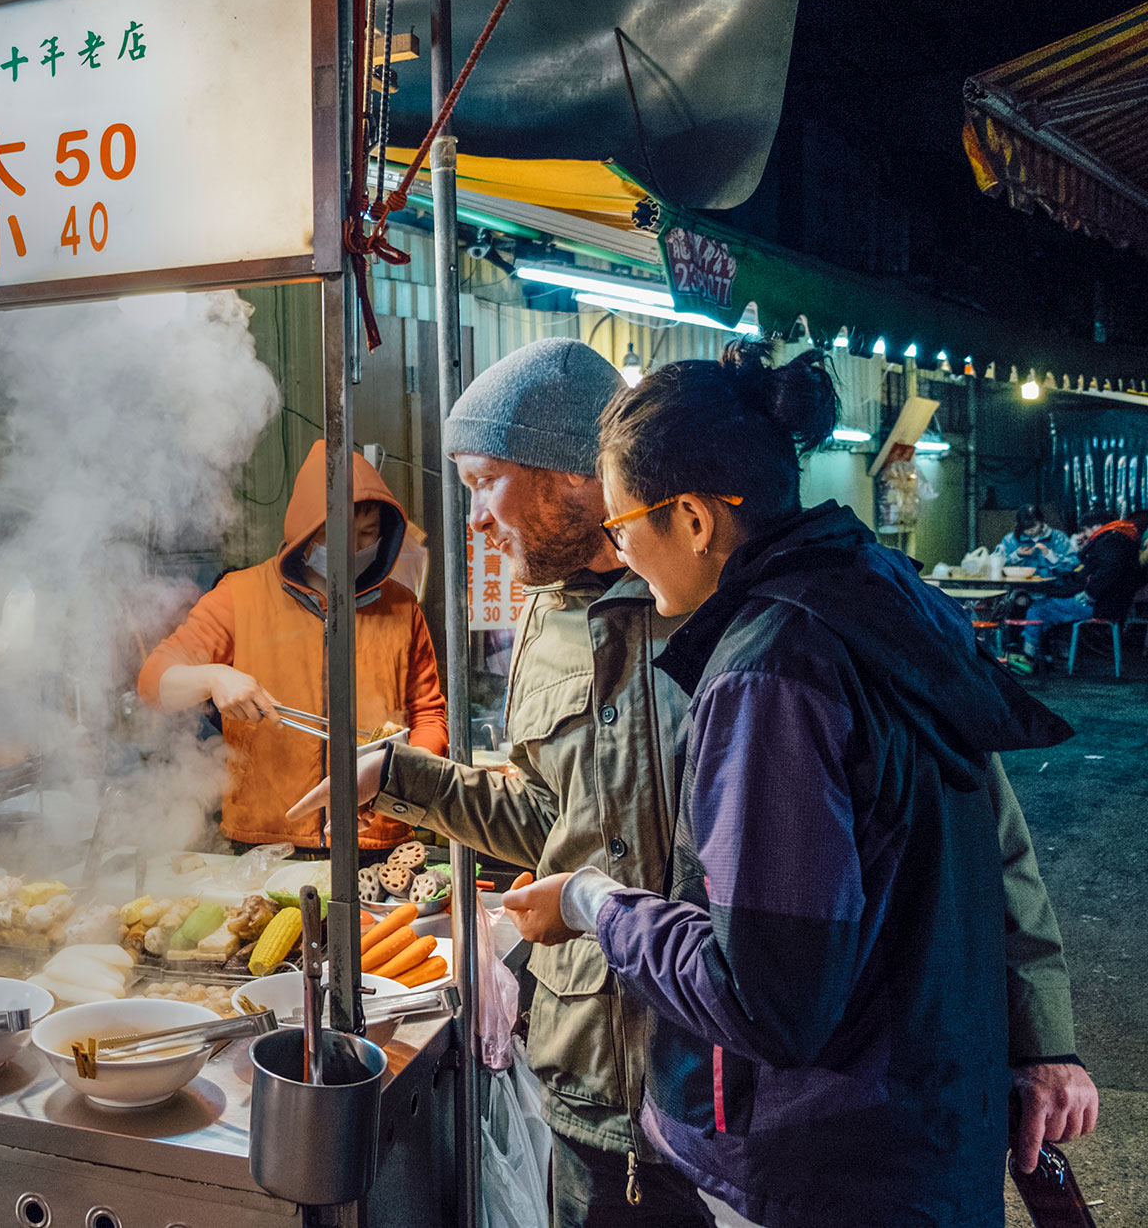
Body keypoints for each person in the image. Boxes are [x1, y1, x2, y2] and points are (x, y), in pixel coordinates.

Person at [293, 337, 1092, 1227]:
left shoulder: (761, 619)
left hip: (765, 1095)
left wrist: (1039, 1037)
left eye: (485, 480)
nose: (474, 516)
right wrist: (399, 776)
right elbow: (562, 821)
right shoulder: (548, 620)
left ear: (577, 477)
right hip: (600, 1075)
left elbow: (979, 834)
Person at [138, 443, 447, 850]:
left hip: (375, 835)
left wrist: (398, 777)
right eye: (334, 535)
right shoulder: (240, 595)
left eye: (368, 535)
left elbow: (428, 714)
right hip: (265, 835)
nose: (352, 550)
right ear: (306, 529)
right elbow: (153, 682)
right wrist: (214, 676)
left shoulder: (401, 606)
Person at [1013, 509, 1144, 669]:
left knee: (1038, 609)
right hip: (1112, 604)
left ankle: (1027, 659)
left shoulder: (1112, 540)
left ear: (1096, 527)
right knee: (1047, 610)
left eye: (1085, 530)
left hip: (1100, 605)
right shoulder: (1121, 538)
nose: (1084, 534)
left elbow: (1109, 570)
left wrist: (1090, 594)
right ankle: (1043, 659)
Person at [997, 503, 1077, 578]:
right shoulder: (1010, 540)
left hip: (1053, 589)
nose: (1030, 530)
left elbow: (1074, 563)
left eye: (1034, 526)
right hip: (1021, 589)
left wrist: (1050, 555)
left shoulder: (1058, 537)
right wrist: (1017, 555)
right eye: (1025, 527)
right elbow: (996, 565)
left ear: (1041, 521)